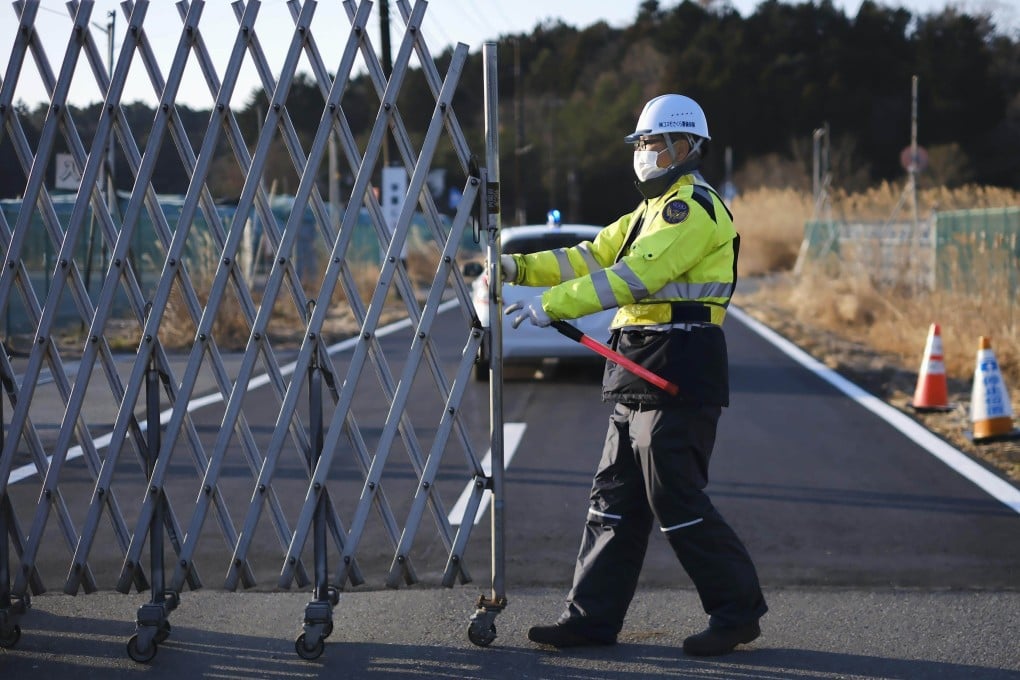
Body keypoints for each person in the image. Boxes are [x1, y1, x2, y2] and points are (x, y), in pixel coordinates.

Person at [501, 94, 767, 657]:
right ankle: (590, 620)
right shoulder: (648, 212)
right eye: (641, 144)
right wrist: (516, 268)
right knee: (613, 499)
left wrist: (553, 304)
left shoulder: (691, 208)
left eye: (652, 143)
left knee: (675, 496)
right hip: (638, 365)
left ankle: (736, 612)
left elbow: (634, 278)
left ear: (686, 146)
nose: (643, 153)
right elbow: (588, 255)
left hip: (680, 364)